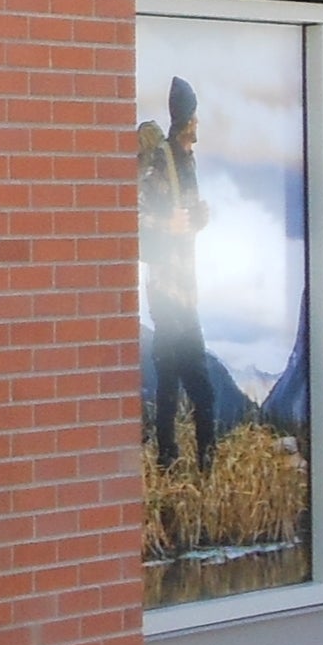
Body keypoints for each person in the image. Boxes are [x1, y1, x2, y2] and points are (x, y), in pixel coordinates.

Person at [138, 75, 224, 469]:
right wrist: (167, 225)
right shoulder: (163, 162)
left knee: (170, 382)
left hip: (183, 288)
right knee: (200, 384)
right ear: (185, 120)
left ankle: (168, 459)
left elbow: (185, 222)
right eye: (194, 115)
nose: (197, 122)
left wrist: (198, 220)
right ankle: (205, 463)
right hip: (168, 293)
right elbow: (134, 217)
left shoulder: (186, 162)